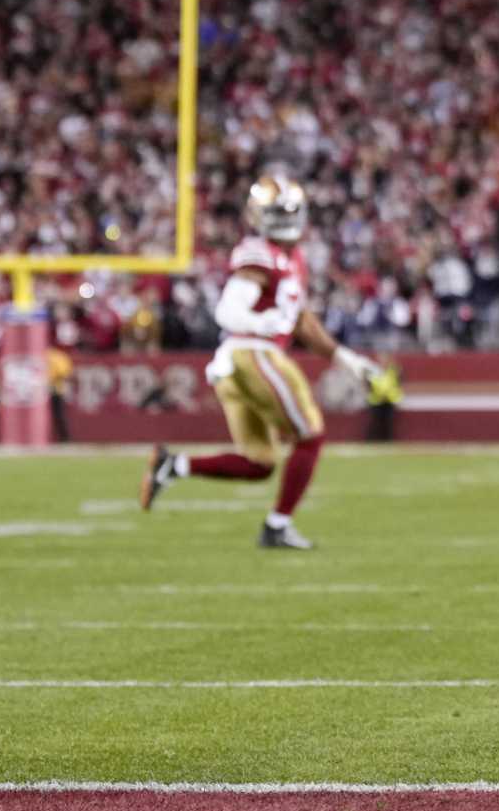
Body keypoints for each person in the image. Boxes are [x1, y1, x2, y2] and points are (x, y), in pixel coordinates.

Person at [139, 177, 384, 549]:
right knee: (310, 433)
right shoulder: (259, 252)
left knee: (260, 462)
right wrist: (259, 323)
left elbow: (303, 322)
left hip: (235, 363)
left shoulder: (293, 259)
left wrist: (349, 361)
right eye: (278, 212)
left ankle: (174, 465)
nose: (286, 219)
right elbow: (228, 310)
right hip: (253, 352)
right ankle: (277, 526)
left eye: (289, 211)